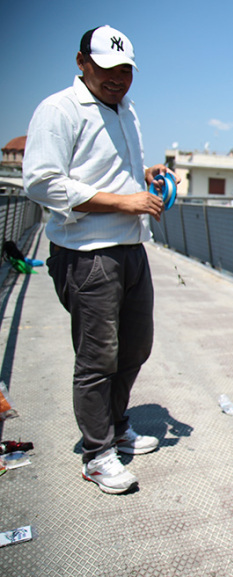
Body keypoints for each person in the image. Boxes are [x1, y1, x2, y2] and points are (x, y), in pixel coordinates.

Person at [23, 25, 176, 495]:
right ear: (81, 62)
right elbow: (42, 183)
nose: (117, 79)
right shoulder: (58, 109)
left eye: (125, 70)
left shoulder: (126, 111)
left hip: (131, 248)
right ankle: (96, 453)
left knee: (136, 347)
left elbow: (108, 170)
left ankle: (115, 425)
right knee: (96, 358)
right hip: (87, 254)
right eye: (107, 70)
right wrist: (122, 202)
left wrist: (143, 176)